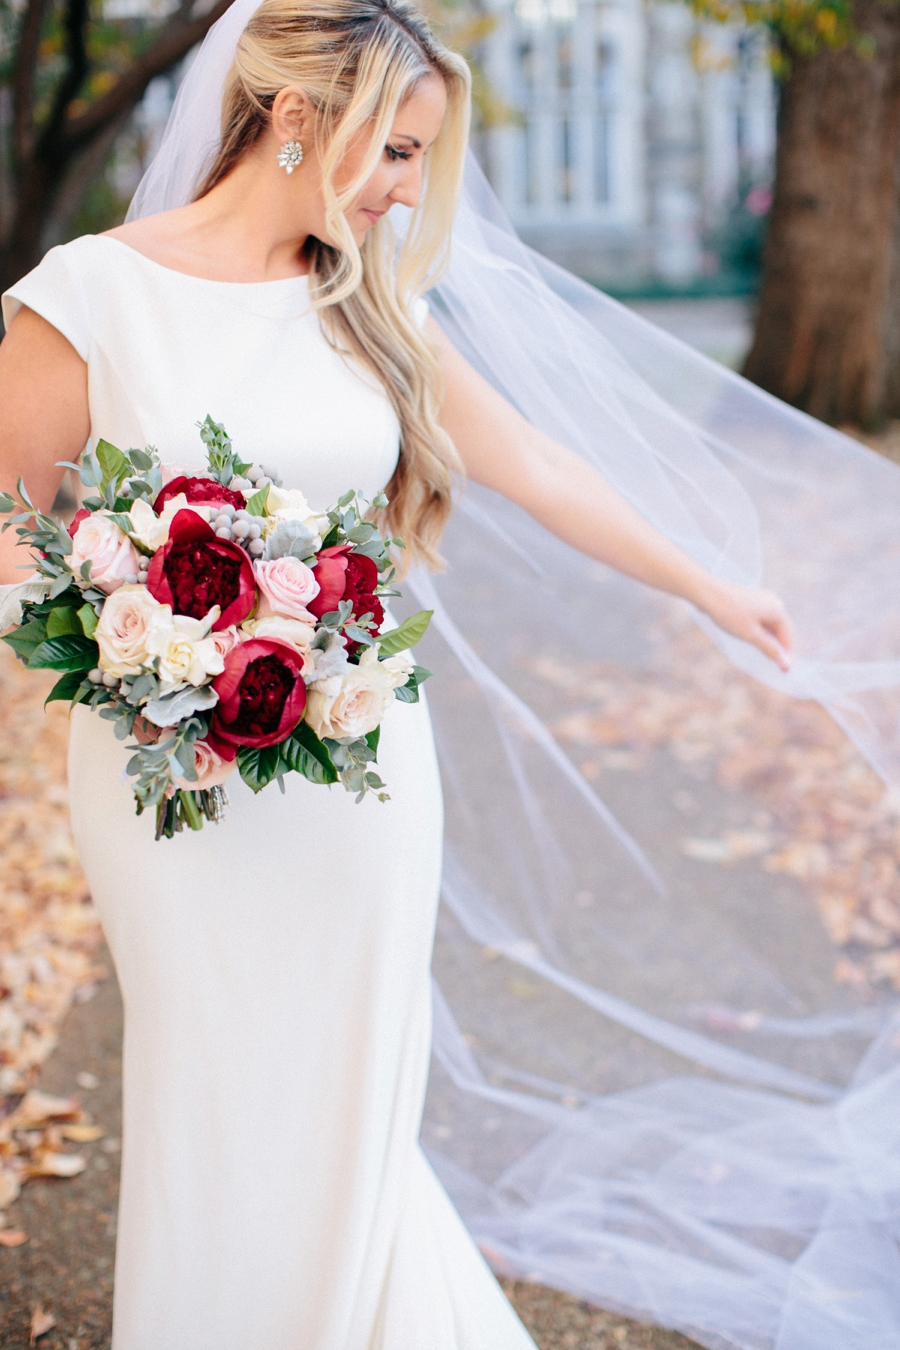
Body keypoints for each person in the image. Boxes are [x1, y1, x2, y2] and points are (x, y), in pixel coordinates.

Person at [0, 1, 794, 1345]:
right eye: (402, 153)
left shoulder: (365, 304)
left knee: (350, 1083)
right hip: (170, 779)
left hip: (358, 775)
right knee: (213, 1076)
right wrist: (132, 612)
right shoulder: (94, 293)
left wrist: (710, 582)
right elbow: (22, 522)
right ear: (297, 120)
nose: (412, 192)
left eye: (423, 158)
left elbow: (538, 465)